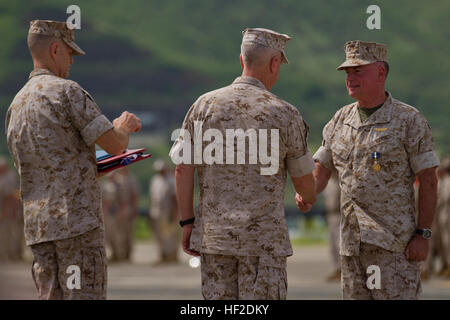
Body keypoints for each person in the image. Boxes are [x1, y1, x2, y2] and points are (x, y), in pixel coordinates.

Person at [170, 28, 316, 300]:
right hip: (263, 244)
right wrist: (306, 197)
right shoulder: (284, 113)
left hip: (214, 240)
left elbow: (182, 168)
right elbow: (305, 181)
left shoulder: (203, 105)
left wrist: (188, 222)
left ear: (242, 61)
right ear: (274, 63)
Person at [5, 20, 141, 299]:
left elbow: (43, 167)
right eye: (70, 53)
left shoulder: (16, 105)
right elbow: (115, 145)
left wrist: (88, 169)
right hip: (76, 224)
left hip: (39, 229)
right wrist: (123, 126)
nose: (72, 62)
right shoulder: (67, 92)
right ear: (56, 49)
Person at [304, 40, 440, 299]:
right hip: (351, 245)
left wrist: (423, 234)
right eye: (347, 73)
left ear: (381, 72)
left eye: (358, 71)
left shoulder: (409, 120)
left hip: (393, 247)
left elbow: (429, 180)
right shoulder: (340, 119)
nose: (350, 79)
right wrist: (306, 194)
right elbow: (321, 169)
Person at [149, 160, 179, 264]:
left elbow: (174, 198)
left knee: (169, 235)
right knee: (159, 235)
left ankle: (171, 256)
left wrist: (174, 213)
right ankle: (162, 255)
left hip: (168, 211)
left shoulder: (171, 180)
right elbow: (152, 197)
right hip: (156, 212)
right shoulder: (155, 180)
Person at [324, 172, 341, 281]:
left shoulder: (341, 182)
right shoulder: (328, 181)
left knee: (340, 243)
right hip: (331, 214)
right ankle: (337, 269)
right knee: (333, 244)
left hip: (340, 214)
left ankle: (342, 268)